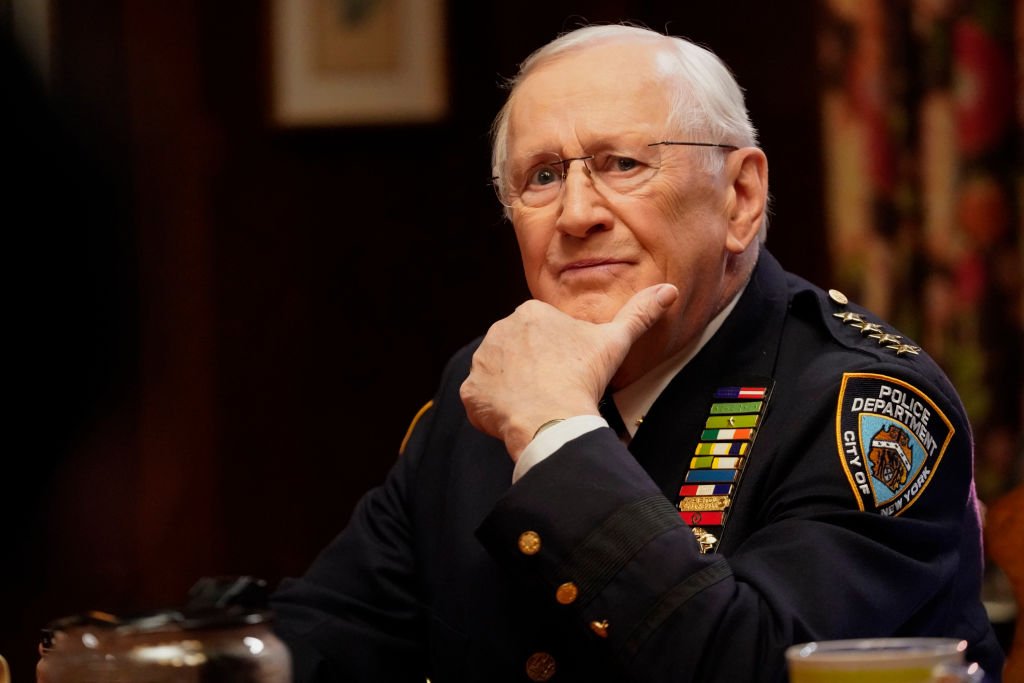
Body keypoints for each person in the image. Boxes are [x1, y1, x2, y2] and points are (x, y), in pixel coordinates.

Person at [269, 24, 1004, 682]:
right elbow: (324, 639)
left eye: (621, 163)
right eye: (543, 176)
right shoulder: (484, 384)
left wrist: (557, 431)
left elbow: (753, 665)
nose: (578, 213)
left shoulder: (866, 402)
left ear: (740, 197)